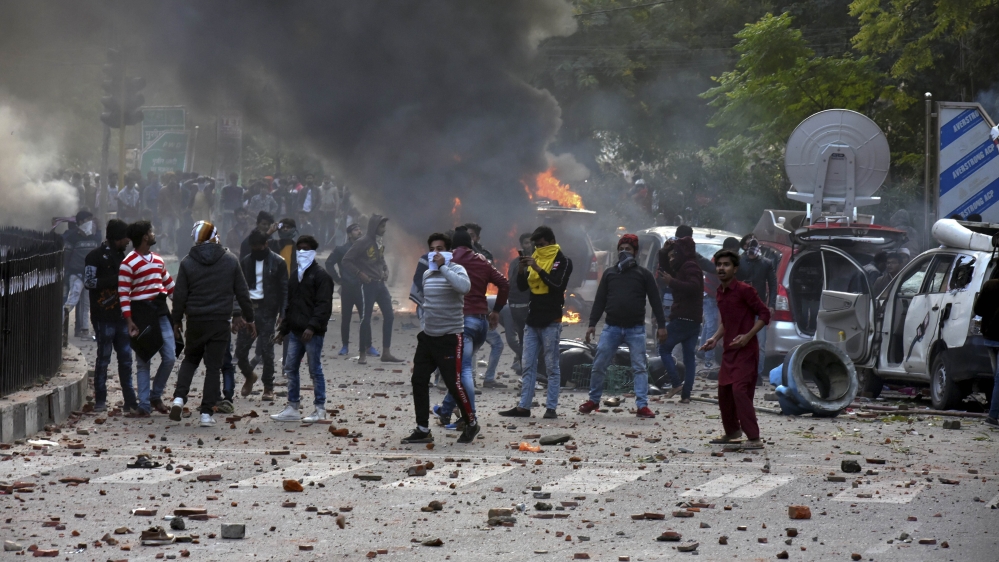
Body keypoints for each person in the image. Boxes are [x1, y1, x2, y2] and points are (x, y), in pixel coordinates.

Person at [168, 222, 255, 427]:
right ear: (216, 236)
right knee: (213, 368)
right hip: (219, 322)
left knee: (190, 360)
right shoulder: (230, 260)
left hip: (196, 320)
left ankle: (179, 398)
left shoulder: (187, 262)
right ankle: (206, 414)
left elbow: (180, 295)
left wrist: (177, 320)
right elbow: (242, 293)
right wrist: (249, 318)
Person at [401, 232, 478, 445]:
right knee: (418, 380)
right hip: (428, 337)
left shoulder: (456, 270)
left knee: (453, 385)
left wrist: (444, 266)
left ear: (448, 252)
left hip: (450, 337)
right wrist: (425, 324)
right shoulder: (427, 275)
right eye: (432, 249)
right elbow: (426, 303)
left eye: (440, 249)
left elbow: (464, 288)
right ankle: (422, 428)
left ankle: (471, 422)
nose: (435, 253)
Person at [578, 233, 666, 417]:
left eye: (628, 249)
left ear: (635, 252)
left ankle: (642, 405)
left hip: (636, 329)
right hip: (612, 327)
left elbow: (655, 300)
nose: (624, 252)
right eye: (621, 249)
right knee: (599, 364)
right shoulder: (610, 273)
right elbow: (600, 300)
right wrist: (592, 324)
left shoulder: (644, 274)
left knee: (640, 367)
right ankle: (594, 400)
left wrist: (662, 326)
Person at [433, 228, 510, 427]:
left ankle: (470, 417)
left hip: (462, 322)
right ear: (471, 244)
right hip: (481, 323)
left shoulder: (449, 260)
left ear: (452, 246)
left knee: (462, 370)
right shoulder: (482, 260)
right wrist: (497, 310)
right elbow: (504, 283)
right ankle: (446, 411)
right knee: (461, 367)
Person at [500, 226, 573, 419]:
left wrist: (538, 268)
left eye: (541, 244)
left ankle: (551, 408)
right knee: (528, 364)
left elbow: (557, 285)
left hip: (551, 319)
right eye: (536, 245)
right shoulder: (536, 258)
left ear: (550, 241)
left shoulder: (563, 261)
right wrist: (523, 269)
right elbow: (523, 286)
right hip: (532, 319)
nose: (538, 248)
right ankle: (524, 406)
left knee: (551, 365)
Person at [701, 250, 771, 447]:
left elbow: (764, 315)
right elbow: (726, 322)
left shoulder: (745, 290)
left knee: (740, 392)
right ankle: (732, 432)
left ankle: (754, 438)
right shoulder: (720, 293)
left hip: (747, 351)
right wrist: (714, 338)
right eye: (719, 265)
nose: (721, 268)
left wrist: (747, 336)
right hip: (729, 351)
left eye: (726, 265)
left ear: (735, 269)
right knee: (724, 393)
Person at [271, 235, 334, 422]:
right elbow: (291, 305)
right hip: (296, 332)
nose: (301, 253)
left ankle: (320, 408)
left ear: (313, 252)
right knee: (290, 368)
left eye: (306, 249)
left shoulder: (321, 276)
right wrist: (283, 330)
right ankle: (292, 406)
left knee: (315, 370)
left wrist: (312, 327)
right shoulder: (295, 276)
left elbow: (324, 306)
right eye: (299, 249)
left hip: (312, 333)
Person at [118, 221, 177, 416]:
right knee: (143, 360)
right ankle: (144, 405)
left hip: (160, 312)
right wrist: (129, 320)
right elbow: (124, 294)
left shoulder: (158, 260)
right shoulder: (128, 263)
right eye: (150, 232)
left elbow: (170, 287)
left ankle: (154, 395)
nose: (153, 234)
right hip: (141, 315)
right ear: (144, 237)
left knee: (169, 357)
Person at [84, 219, 135, 413]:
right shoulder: (94, 257)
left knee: (126, 359)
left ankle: (130, 400)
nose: (127, 241)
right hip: (103, 316)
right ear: (116, 238)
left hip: (122, 316)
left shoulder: (124, 257)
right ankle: (100, 399)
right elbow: (89, 282)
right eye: (124, 238)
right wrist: (116, 279)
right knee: (103, 358)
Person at [342, 214, 404, 363]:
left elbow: (380, 258)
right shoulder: (361, 242)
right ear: (375, 227)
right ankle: (362, 353)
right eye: (382, 226)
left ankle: (386, 353)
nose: (384, 229)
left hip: (380, 285)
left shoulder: (379, 241)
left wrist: (386, 269)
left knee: (389, 315)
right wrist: (359, 273)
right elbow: (346, 260)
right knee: (366, 319)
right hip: (367, 286)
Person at [236, 229, 288, 401]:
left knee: (267, 351)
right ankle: (250, 376)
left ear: (266, 245)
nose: (256, 250)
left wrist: (283, 313)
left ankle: (268, 387)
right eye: (253, 248)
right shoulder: (246, 262)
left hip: (268, 311)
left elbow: (284, 290)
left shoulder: (278, 262)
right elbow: (239, 288)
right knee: (241, 351)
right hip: (249, 310)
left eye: (258, 247)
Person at [654, 235, 705, 402]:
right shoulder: (684, 265)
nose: (674, 254)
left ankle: (676, 383)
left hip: (683, 317)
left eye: (677, 251)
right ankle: (686, 395)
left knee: (664, 348)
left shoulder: (691, 266)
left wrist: (672, 282)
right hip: (693, 319)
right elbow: (666, 270)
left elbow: (694, 286)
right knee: (689, 357)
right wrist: (664, 251)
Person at [737, 234, 777, 383]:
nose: (752, 252)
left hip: (759, 307)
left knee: (760, 343)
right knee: (741, 339)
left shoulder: (766, 263)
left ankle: (757, 373)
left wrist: (771, 304)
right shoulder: (740, 262)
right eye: (749, 247)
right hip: (742, 307)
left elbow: (773, 285)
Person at [324, 223, 365, 355]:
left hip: (362, 287)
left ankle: (367, 346)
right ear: (349, 234)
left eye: (359, 229)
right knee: (346, 318)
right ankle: (345, 346)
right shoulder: (341, 249)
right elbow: (329, 263)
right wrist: (338, 279)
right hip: (347, 287)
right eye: (355, 230)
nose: (359, 231)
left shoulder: (365, 248)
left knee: (365, 317)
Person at [63, 210, 101, 338]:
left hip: (89, 274)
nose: (89, 223)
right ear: (80, 222)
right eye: (86, 220)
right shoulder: (72, 237)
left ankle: (84, 330)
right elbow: (66, 257)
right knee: (72, 301)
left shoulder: (94, 236)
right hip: (76, 274)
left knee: (86, 304)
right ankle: (59, 324)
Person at [973, 274, 999, 427]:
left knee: (997, 377)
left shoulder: (989, 285)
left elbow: (978, 309)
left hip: (990, 337)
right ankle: (993, 416)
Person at [506, 233, 534, 374]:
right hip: (518, 305)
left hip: (533, 305)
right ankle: (525, 368)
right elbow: (511, 283)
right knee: (524, 337)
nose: (528, 246)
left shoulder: (538, 261)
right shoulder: (515, 263)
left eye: (530, 243)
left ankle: (528, 366)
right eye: (525, 243)